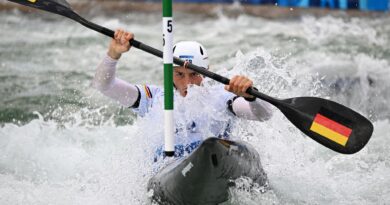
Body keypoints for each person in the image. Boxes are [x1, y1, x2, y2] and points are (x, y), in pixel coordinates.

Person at [93, 29, 273, 159]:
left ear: (206, 71)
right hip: (168, 171)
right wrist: (113, 54)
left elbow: (264, 115)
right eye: (179, 74)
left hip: (213, 162)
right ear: (169, 73)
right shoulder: (152, 98)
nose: (187, 83)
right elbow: (104, 85)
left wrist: (251, 97)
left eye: (194, 74)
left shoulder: (221, 97)